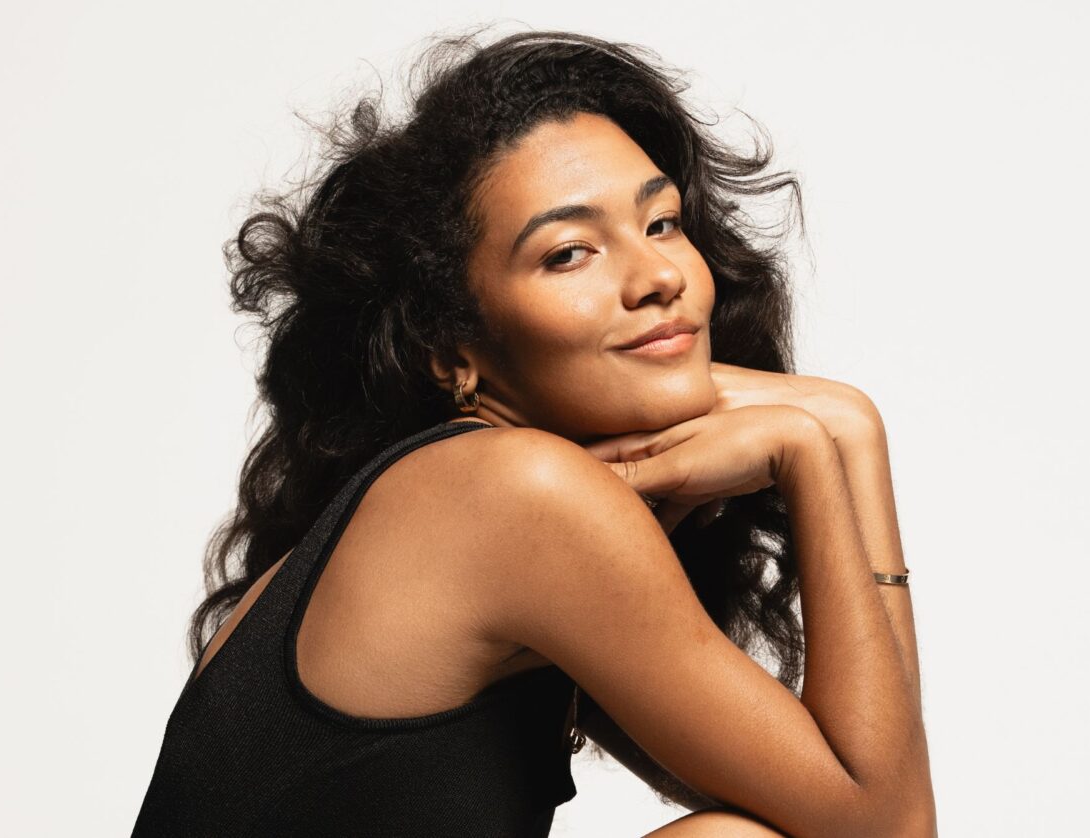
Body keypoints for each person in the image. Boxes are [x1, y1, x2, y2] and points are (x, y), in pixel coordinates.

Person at [130, 26, 935, 837]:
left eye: (661, 223)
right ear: (455, 348)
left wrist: (849, 425)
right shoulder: (518, 494)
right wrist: (818, 451)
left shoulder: (452, 495)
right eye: (570, 253)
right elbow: (887, 829)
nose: (658, 277)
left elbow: (823, 798)